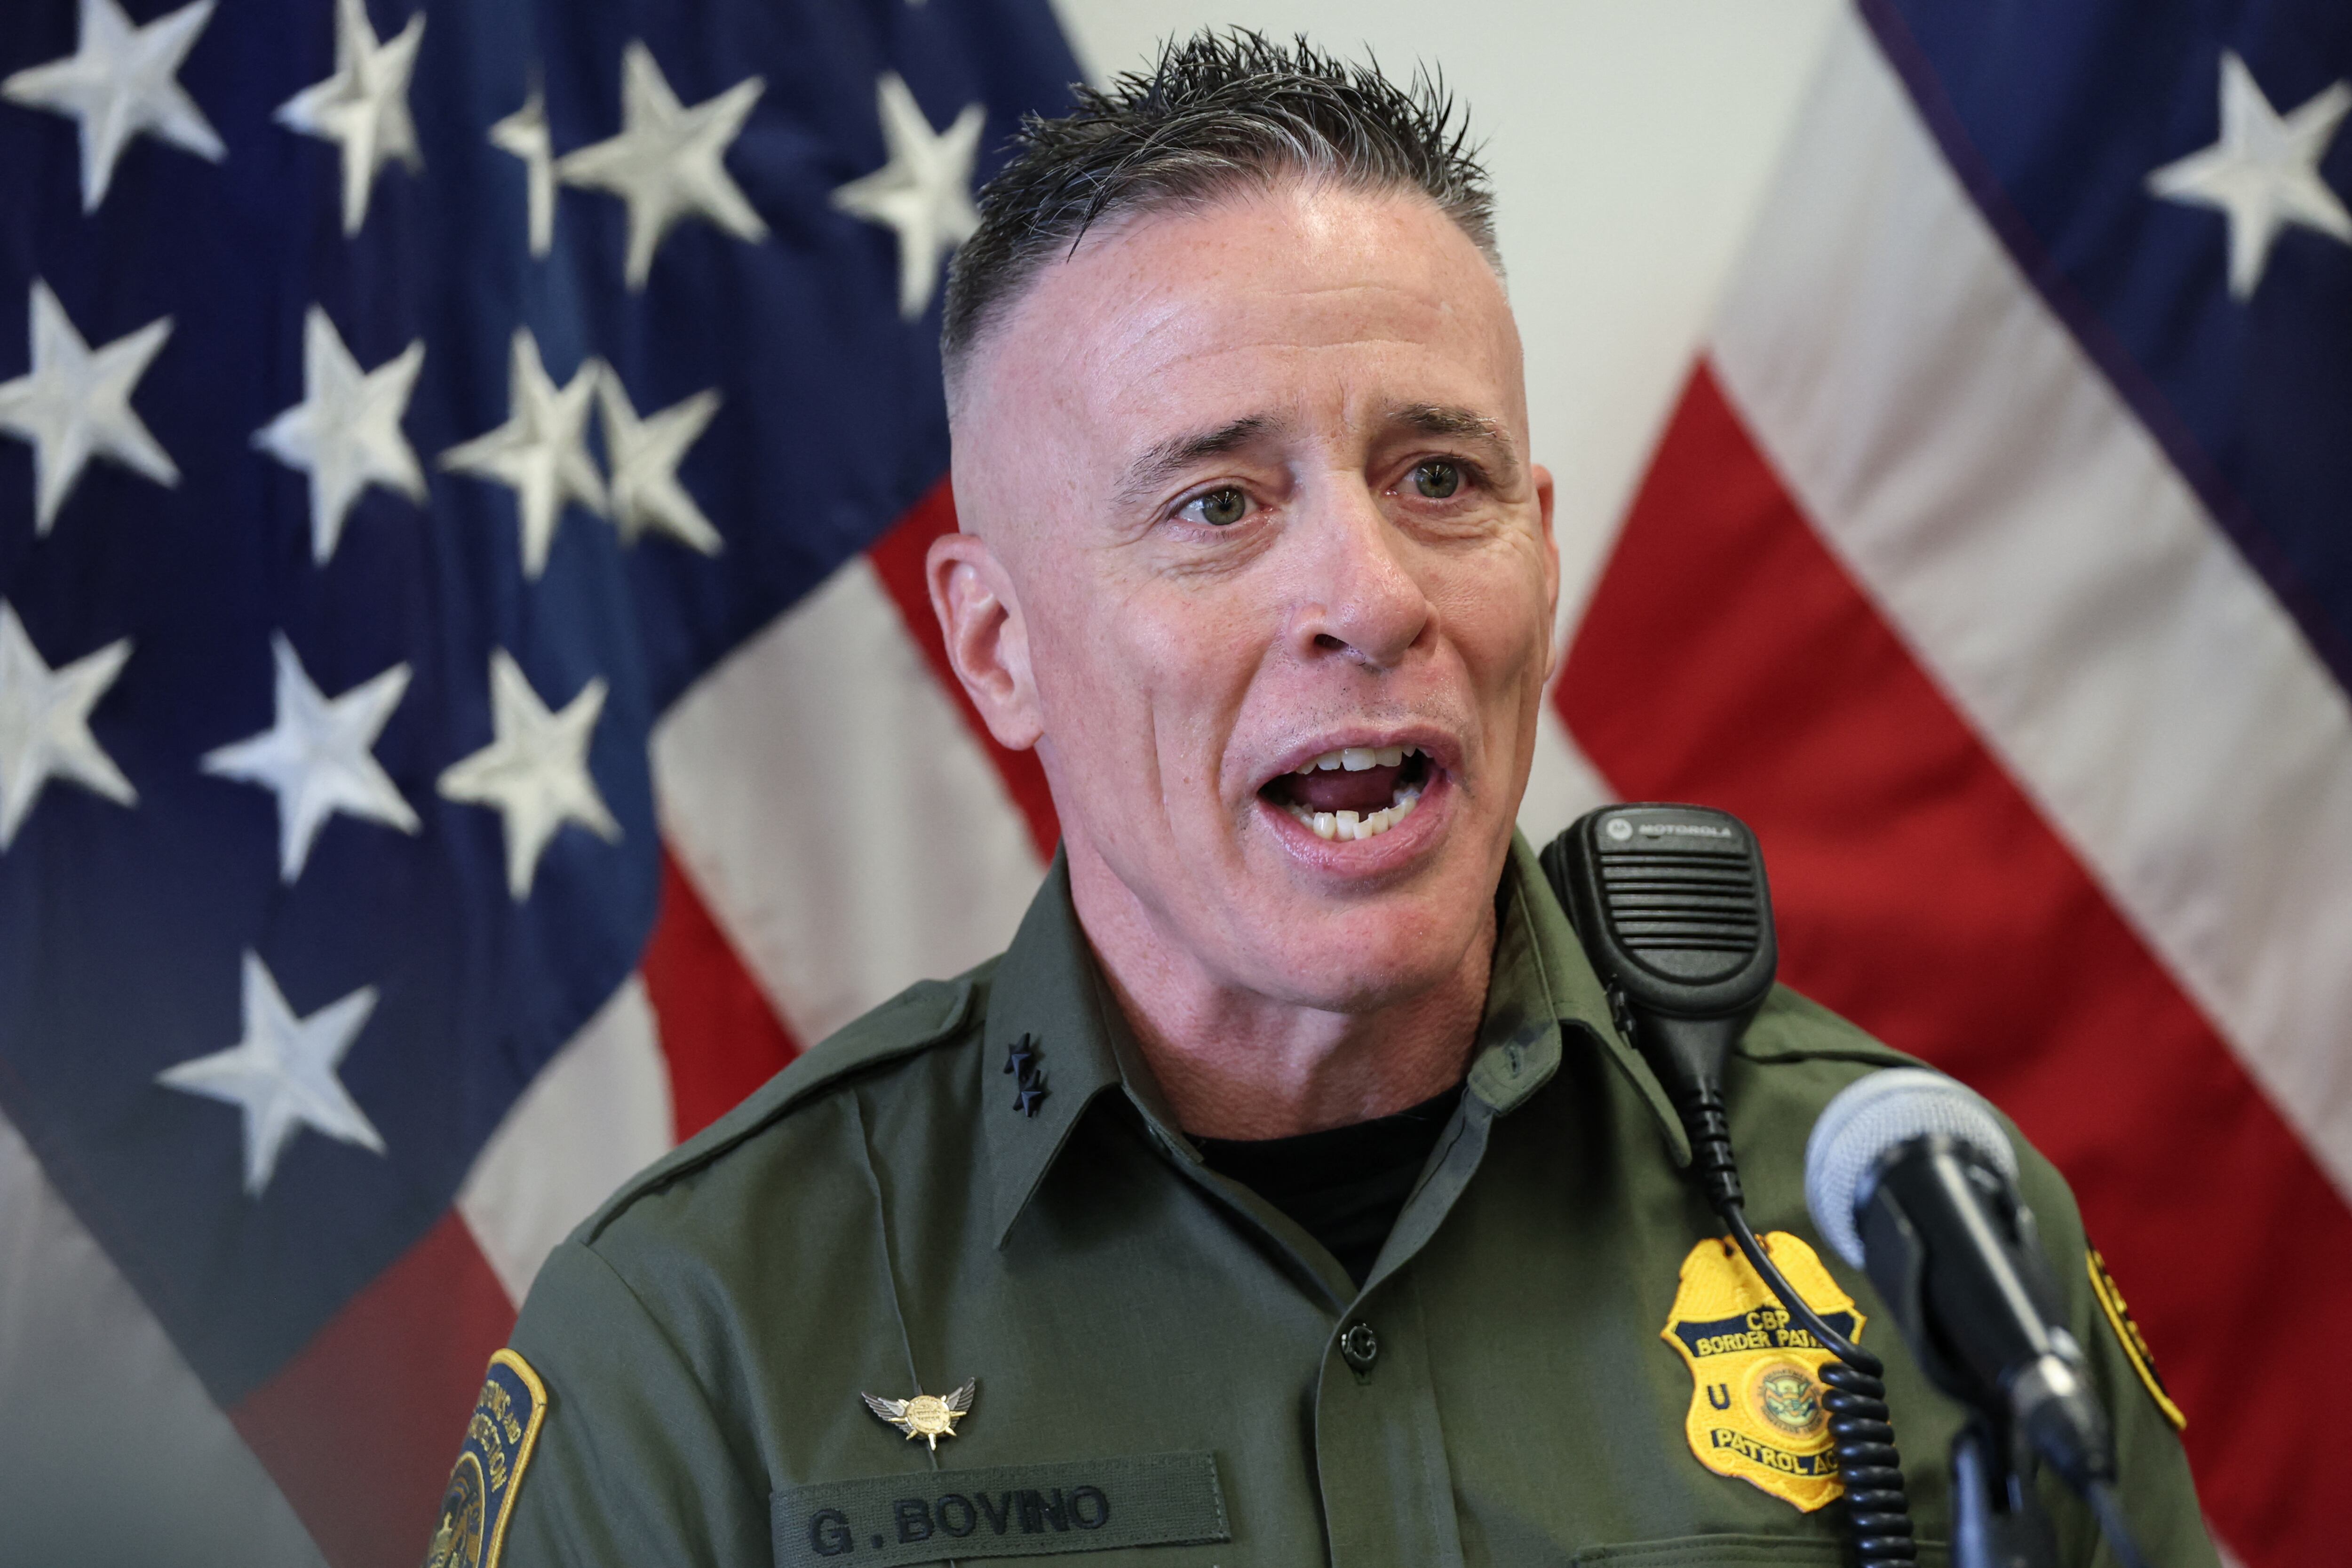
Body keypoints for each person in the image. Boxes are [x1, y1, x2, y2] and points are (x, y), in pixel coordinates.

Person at [430, 32, 2216, 1568]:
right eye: (1216, 504)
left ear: (1543, 553)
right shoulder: (696, 1342)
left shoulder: (1916, 1230)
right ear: (995, 645)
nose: (1370, 596)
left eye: (1440, 477)